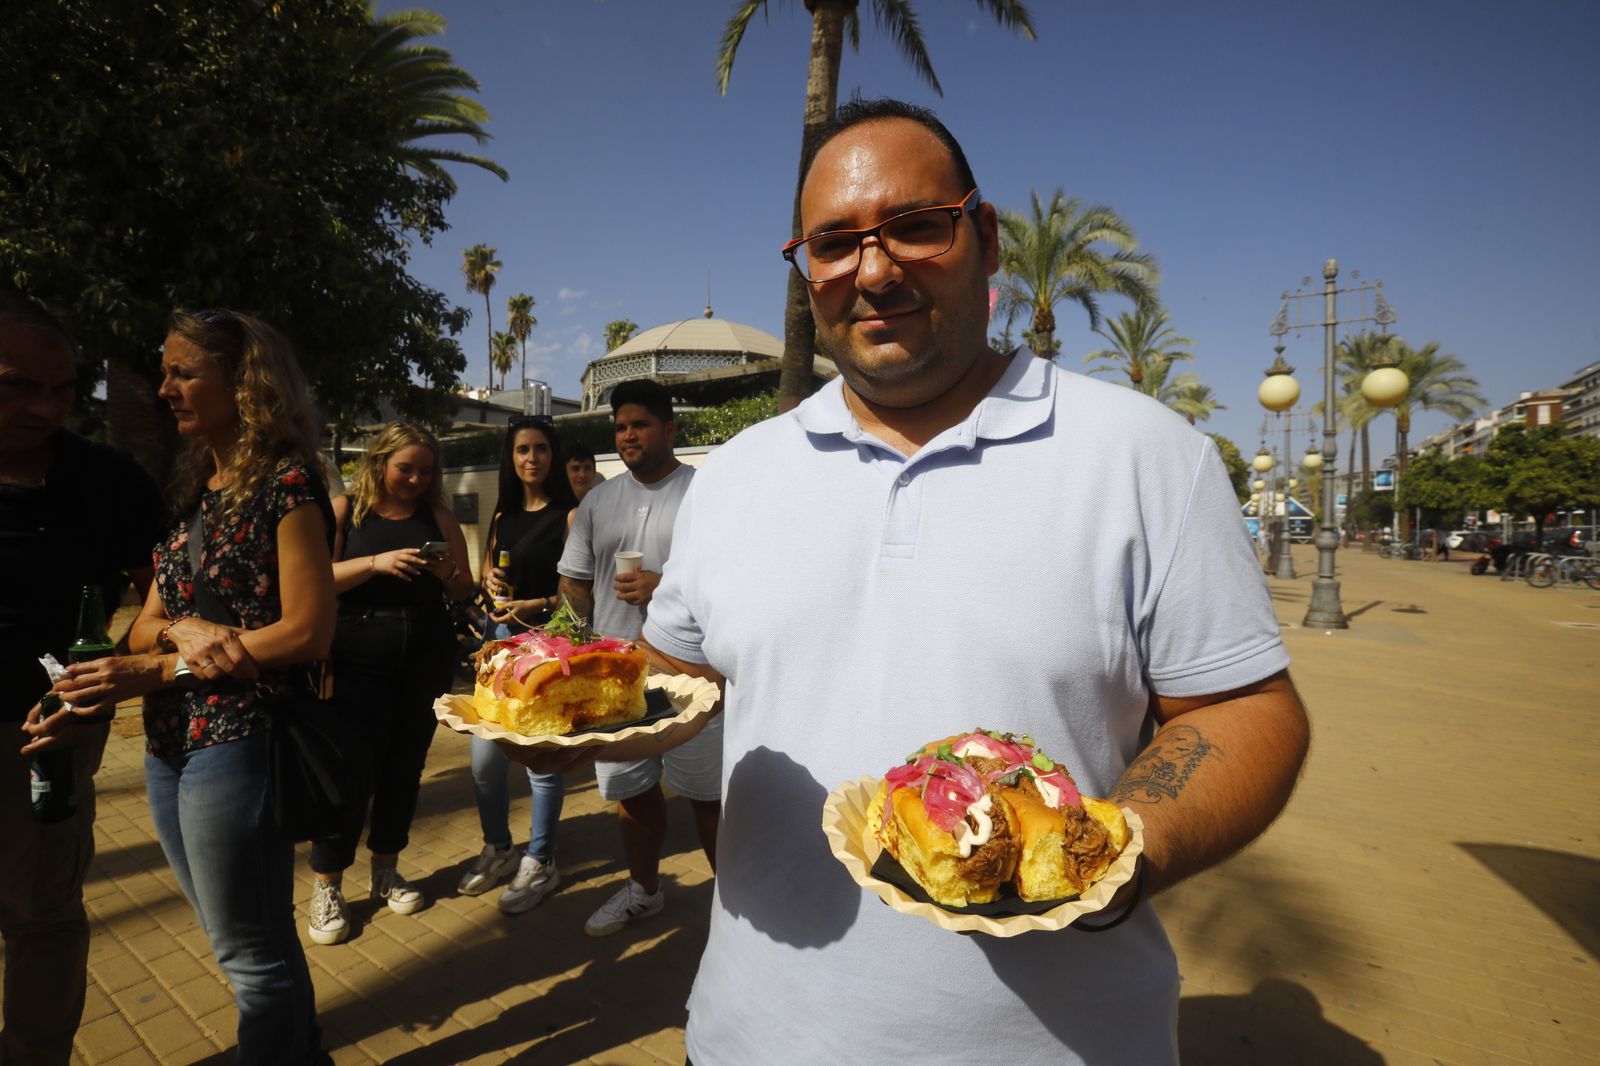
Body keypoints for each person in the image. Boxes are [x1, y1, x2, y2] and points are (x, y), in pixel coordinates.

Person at [631, 100, 1309, 1064]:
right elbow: (672, 672)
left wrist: (1111, 859)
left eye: (915, 226)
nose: (873, 269)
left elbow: (1245, 710)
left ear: (985, 238)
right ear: (805, 270)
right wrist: (589, 723)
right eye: (834, 244)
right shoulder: (738, 473)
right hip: (750, 1036)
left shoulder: (1145, 455)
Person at [28, 309, 335, 1064]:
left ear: (244, 380)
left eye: (183, 371)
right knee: (245, 936)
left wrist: (169, 663)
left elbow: (306, 633)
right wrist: (177, 634)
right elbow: (142, 624)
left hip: (238, 739)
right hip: (170, 743)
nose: (165, 388)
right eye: (164, 372)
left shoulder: (288, 485)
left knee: (249, 951)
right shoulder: (199, 489)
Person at [0, 294, 163, 1065]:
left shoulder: (108, 480)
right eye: (17, 384)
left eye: (62, 390)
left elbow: (163, 599)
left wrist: (111, 677)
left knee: (41, 915)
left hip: (45, 740)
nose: (45, 407)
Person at [555, 379, 722, 938]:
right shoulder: (598, 501)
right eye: (621, 426)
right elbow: (573, 581)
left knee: (708, 796)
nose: (628, 435)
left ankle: (736, 909)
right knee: (631, 791)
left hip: (689, 672)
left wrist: (664, 583)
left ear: (669, 430)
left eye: (640, 424)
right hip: (613, 677)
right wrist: (579, 641)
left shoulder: (704, 493)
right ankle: (644, 891)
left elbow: (733, 582)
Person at [306, 421, 475, 945]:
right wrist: (376, 562)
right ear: (379, 462)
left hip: (425, 656)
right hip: (357, 656)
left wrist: (446, 571)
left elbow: (462, 587)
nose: (416, 479)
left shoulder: (437, 514)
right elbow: (312, 579)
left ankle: (386, 869)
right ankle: (327, 883)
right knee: (349, 770)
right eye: (406, 468)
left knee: (405, 767)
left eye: (426, 471)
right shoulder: (344, 511)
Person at [459, 415, 578, 913]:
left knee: (542, 765)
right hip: (500, 642)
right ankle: (500, 848)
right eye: (523, 450)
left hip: (545, 646)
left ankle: (542, 859)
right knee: (485, 762)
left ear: (554, 455)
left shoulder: (569, 515)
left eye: (541, 449)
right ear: (512, 457)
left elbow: (574, 598)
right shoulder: (503, 515)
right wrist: (489, 586)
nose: (532, 458)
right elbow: (491, 575)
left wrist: (535, 606)